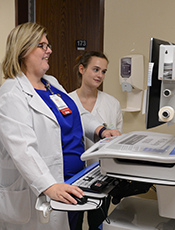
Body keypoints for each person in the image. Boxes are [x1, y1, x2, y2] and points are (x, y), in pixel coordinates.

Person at [0, 22, 120, 230]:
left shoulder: (51, 83)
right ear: (23, 49)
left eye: (48, 45)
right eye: (42, 45)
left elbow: (76, 113)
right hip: (41, 188)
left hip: (71, 181)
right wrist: (49, 185)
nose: (49, 50)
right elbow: (23, 150)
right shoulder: (11, 95)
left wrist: (100, 130)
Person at [69, 51, 123, 230]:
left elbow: (117, 142)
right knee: (72, 223)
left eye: (104, 71)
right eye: (96, 69)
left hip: (102, 176)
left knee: (97, 224)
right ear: (82, 69)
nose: (100, 75)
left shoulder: (112, 104)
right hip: (71, 176)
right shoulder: (66, 102)